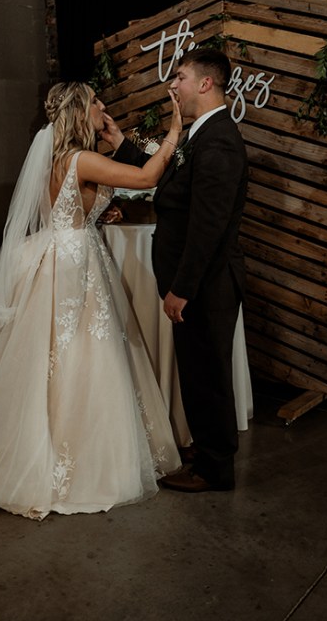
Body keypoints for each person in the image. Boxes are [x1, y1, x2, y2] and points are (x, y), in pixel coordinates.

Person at [0, 81, 184, 519]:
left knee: (50, 354)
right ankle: (73, 460)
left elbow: (71, 206)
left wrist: (100, 209)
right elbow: (146, 178)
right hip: (76, 263)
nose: (103, 107)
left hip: (58, 253)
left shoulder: (58, 157)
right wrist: (174, 133)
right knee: (82, 354)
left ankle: (41, 440)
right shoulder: (83, 158)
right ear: (80, 112)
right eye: (96, 102)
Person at [108, 47, 247, 492]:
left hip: (206, 285)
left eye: (180, 77)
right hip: (195, 283)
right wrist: (121, 145)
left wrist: (182, 288)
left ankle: (214, 469)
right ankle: (206, 449)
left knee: (208, 374)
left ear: (205, 83)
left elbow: (208, 227)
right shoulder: (198, 134)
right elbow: (166, 181)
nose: (172, 85)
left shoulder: (218, 140)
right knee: (197, 370)